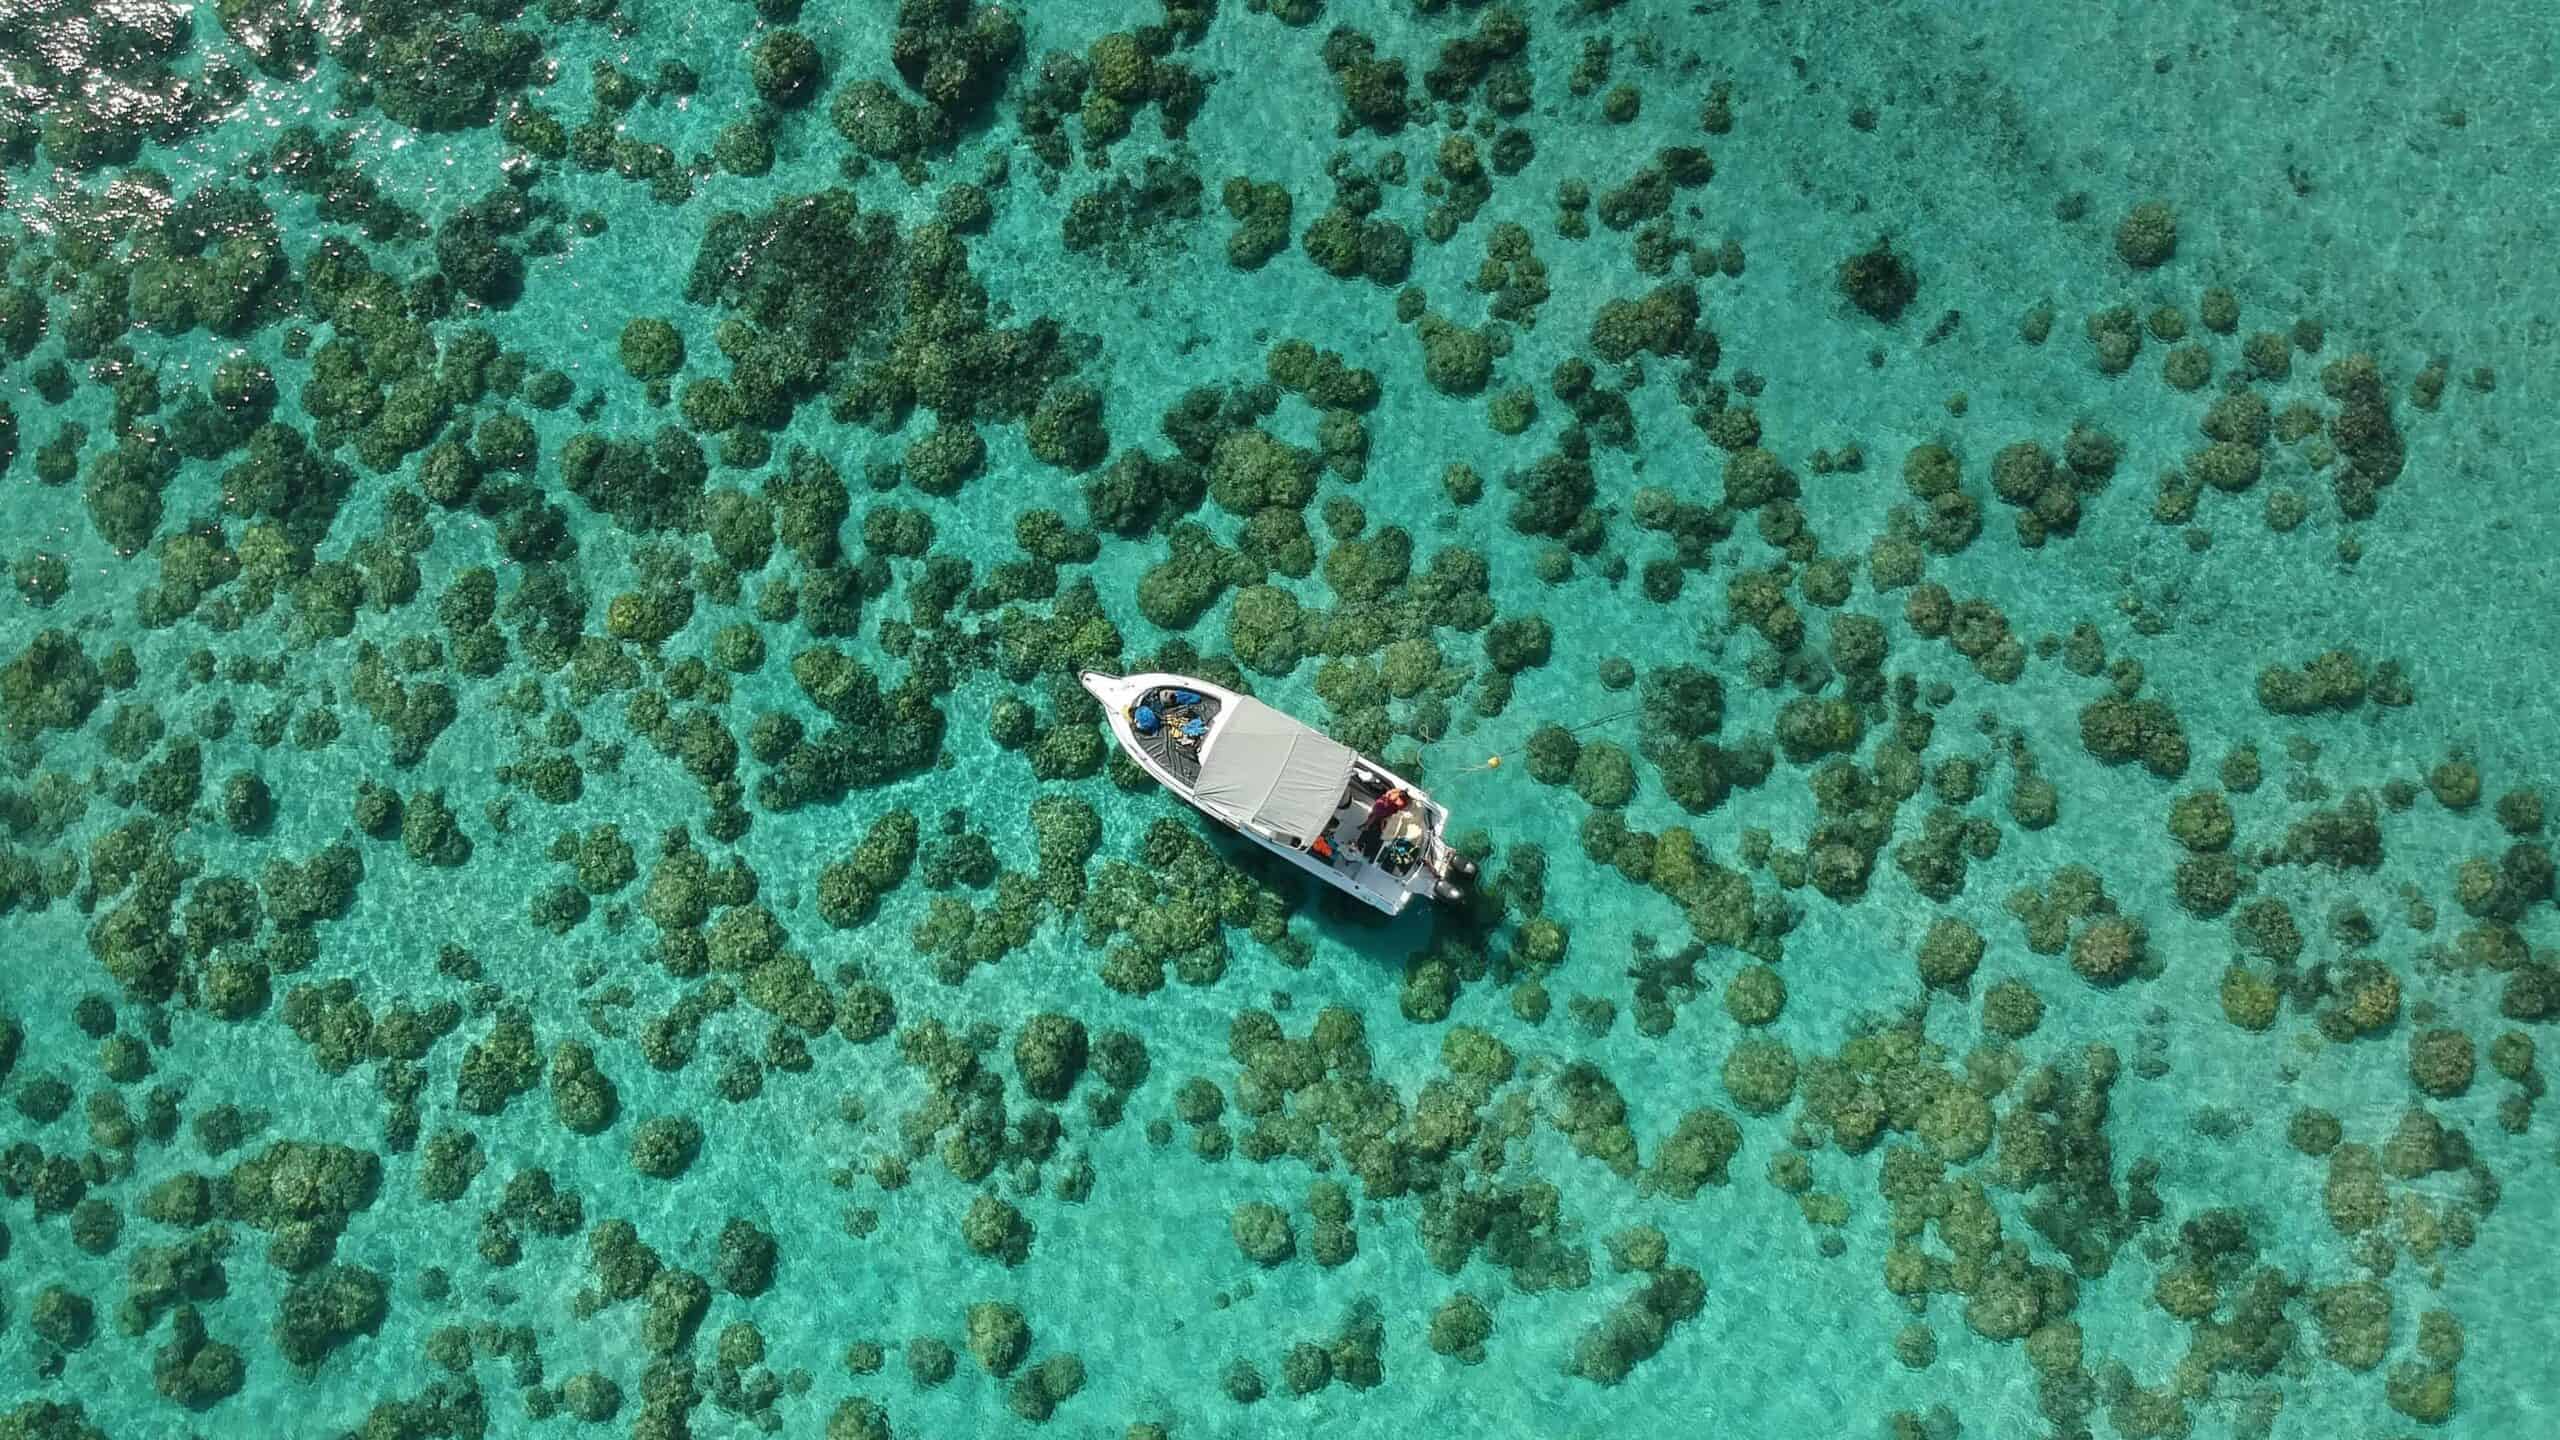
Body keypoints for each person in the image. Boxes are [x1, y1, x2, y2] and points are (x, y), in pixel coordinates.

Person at [1354, 787, 1409, 857]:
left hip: (1380, 820)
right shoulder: (1388, 801)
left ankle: (1365, 849)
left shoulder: (1394, 802)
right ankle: (1364, 848)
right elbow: (1376, 816)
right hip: (1379, 819)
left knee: (1372, 835)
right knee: (1371, 834)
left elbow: (1380, 817)